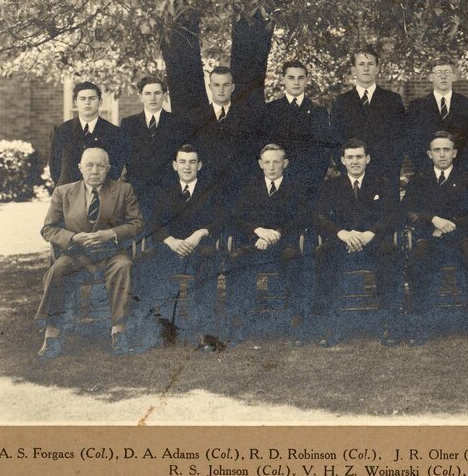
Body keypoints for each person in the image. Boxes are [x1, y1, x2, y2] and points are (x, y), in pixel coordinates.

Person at [36, 147, 144, 358]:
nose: (95, 171)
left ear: (108, 168)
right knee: (56, 270)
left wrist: (111, 233)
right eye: (89, 165)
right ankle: (52, 334)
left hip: (111, 253)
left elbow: (137, 223)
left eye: (100, 166)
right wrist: (72, 238)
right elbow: (48, 229)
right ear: (80, 168)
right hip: (76, 254)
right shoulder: (63, 192)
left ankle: (119, 332)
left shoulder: (123, 190)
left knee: (124, 266)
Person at [402, 131, 468, 341]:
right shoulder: (419, 180)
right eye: (437, 150)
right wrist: (433, 219)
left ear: (455, 153)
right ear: (429, 154)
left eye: (446, 150)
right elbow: (407, 211)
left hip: (462, 239)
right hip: (430, 240)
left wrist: (452, 225)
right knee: (417, 257)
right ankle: (420, 324)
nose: (442, 155)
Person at [313, 138, 400, 344]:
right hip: (342, 243)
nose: (355, 161)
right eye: (350, 157)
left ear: (367, 159)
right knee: (322, 253)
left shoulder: (382, 184)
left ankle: (388, 324)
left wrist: (371, 233)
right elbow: (319, 217)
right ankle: (330, 326)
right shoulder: (330, 186)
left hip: (373, 242)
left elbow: (393, 215)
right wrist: (342, 233)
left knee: (390, 252)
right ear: (343, 160)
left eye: (359, 157)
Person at [227, 144, 308, 341]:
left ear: (285, 163)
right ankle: (240, 323)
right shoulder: (249, 189)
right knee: (236, 259)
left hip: (284, 245)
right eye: (267, 162)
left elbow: (302, 219)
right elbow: (237, 218)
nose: (272, 167)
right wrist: (258, 232)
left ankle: (295, 323)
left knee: (294, 259)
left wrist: (277, 234)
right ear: (260, 164)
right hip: (255, 244)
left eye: (276, 162)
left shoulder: (296, 189)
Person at [146, 144, 223, 343]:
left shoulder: (211, 191)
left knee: (210, 264)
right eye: (182, 162)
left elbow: (221, 220)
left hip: (200, 249)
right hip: (170, 249)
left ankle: (206, 329)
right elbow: (152, 222)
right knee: (154, 265)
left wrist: (200, 233)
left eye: (192, 162)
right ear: (175, 165)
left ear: (199, 165)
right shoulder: (164, 192)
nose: (187, 167)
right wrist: (170, 240)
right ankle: (165, 328)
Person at [329, 47, 406, 197]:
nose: (366, 68)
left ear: (377, 69)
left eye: (370, 64)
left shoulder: (392, 100)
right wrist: (348, 170)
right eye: (361, 64)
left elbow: (401, 139)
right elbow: (335, 140)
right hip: (352, 177)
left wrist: (389, 170)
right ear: (354, 70)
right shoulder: (341, 102)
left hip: (385, 177)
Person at [186, 66, 262, 202]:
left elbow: (253, 153)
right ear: (210, 87)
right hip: (205, 189)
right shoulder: (196, 117)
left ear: (232, 87)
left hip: (240, 188)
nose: (221, 90)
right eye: (216, 85)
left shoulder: (248, 116)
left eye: (226, 85)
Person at [120, 75, 190, 219]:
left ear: (164, 96)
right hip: (137, 192)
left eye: (157, 93)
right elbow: (124, 158)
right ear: (141, 96)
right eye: (148, 93)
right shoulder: (128, 124)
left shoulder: (177, 123)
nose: (153, 98)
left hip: (168, 191)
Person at [262, 60, 332, 198]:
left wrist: (314, 181)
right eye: (291, 78)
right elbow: (265, 149)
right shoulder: (270, 110)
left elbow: (324, 150)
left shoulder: (318, 110)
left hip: (308, 186)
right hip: (278, 185)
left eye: (300, 78)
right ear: (283, 79)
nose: (296, 82)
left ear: (306, 80)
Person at [406, 57, 468, 174]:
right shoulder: (417, 107)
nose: (443, 76)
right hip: (426, 174)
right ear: (431, 77)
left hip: (461, 173)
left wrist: (464, 170)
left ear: (454, 77)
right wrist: (425, 170)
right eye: (438, 72)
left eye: (447, 72)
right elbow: (411, 142)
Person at [48, 81, 127, 187]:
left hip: (102, 192)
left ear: (100, 102)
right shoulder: (61, 131)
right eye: (82, 98)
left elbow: (116, 169)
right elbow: (55, 168)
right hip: (69, 191)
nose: (87, 102)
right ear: (75, 102)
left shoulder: (114, 133)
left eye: (92, 98)